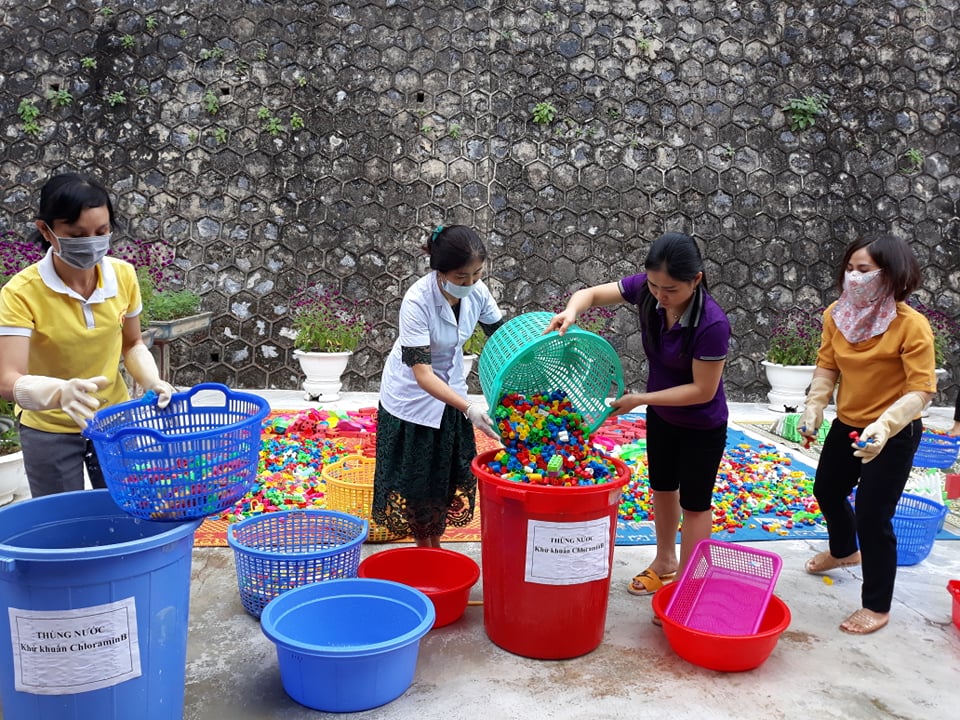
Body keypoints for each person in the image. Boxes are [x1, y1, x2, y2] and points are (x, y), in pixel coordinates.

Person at [546, 232, 730, 600]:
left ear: (696, 280)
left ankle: (688, 584)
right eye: (654, 285)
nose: (661, 296)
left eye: (672, 290)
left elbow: (702, 390)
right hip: (663, 416)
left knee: (695, 504)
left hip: (702, 425)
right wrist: (572, 310)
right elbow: (592, 294)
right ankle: (665, 561)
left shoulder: (712, 324)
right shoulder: (648, 292)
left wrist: (640, 399)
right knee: (662, 489)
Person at [0, 173, 174, 497]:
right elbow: (8, 379)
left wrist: (153, 380)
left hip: (114, 420)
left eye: (101, 232)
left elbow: (133, 343)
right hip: (49, 428)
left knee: (127, 508)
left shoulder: (123, 276)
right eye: (77, 234)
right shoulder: (21, 293)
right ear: (46, 230)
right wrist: (59, 393)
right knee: (65, 522)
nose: (91, 242)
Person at [799, 233, 935, 635]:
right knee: (826, 488)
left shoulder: (912, 326)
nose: (854, 278)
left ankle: (877, 605)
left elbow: (921, 390)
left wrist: (885, 426)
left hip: (893, 432)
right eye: (850, 269)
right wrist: (815, 405)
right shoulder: (836, 315)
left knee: (874, 516)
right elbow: (827, 366)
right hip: (848, 424)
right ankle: (844, 551)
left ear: (891, 277)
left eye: (864, 271)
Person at [372, 225, 503, 548]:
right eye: (462, 277)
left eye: (477, 274)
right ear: (440, 271)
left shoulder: (478, 291)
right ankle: (425, 549)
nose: (470, 283)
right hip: (411, 399)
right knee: (418, 483)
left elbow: (501, 339)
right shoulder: (417, 300)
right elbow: (423, 374)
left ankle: (435, 545)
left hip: (451, 389)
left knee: (444, 478)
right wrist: (469, 407)